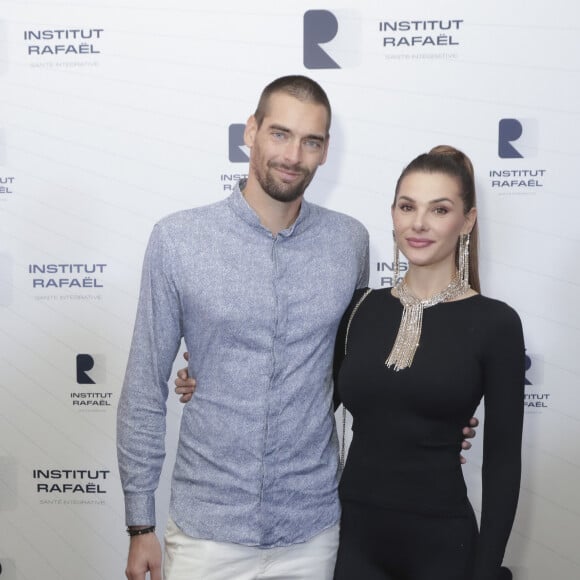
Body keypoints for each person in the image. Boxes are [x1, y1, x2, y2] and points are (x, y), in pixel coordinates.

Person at [118, 74, 478, 580]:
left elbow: (353, 369)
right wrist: (139, 525)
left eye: (311, 141)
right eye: (280, 134)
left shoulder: (347, 241)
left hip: (314, 532)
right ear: (251, 132)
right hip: (206, 532)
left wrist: (434, 415)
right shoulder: (178, 239)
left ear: (326, 151)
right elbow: (142, 387)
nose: (293, 155)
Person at [332, 145, 525, 580]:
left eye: (439, 209)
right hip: (350, 540)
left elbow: (502, 461)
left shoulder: (496, 323)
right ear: (394, 212)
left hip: (443, 547)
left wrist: (485, 569)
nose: (418, 223)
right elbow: (303, 400)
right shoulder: (360, 309)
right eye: (407, 206)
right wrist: (209, 378)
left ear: (467, 220)